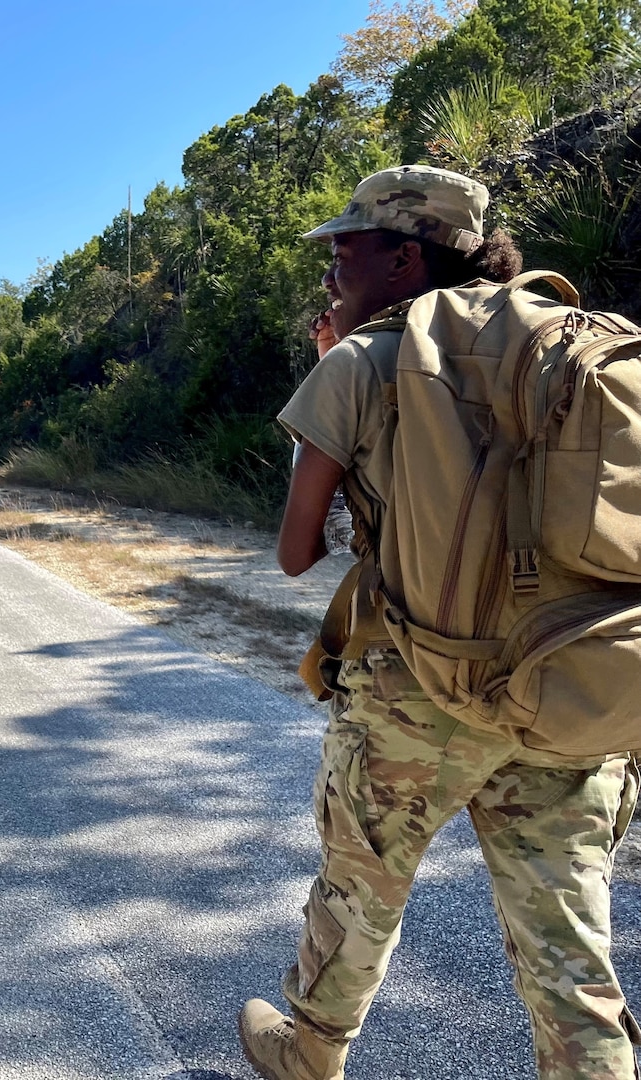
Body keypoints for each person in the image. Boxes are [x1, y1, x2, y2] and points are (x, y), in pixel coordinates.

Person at [238, 165, 641, 1080]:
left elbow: (298, 552)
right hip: (573, 683)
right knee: (568, 938)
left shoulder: (362, 359)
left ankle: (309, 1052)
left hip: (420, 691)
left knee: (362, 884)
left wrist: (332, 375)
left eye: (351, 247)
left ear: (405, 259)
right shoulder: (571, 346)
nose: (335, 264)